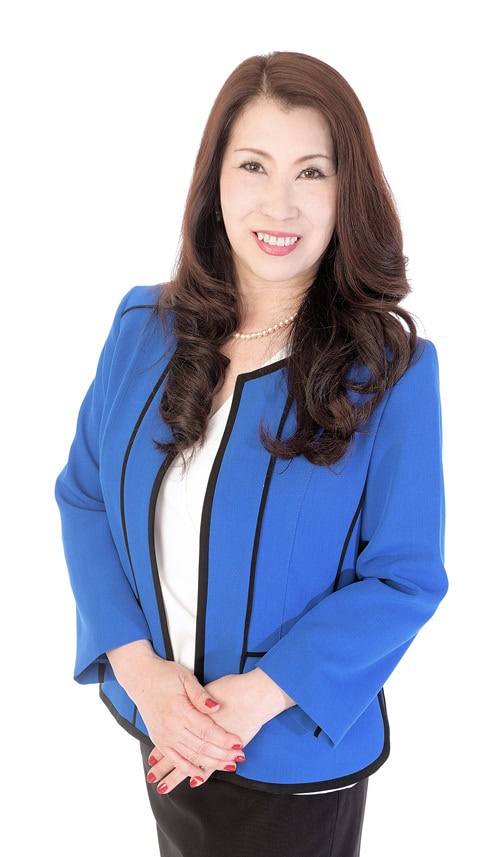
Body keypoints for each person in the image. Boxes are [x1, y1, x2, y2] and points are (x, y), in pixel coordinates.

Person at [55, 51, 448, 857]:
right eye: (254, 165)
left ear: (347, 191)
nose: (280, 203)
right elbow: (86, 497)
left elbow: (404, 576)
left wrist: (255, 698)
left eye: (312, 172)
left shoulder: (392, 372)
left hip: (289, 757)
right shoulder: (141, 330)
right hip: (161, 736)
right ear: (216, 180)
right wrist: (141, 673)